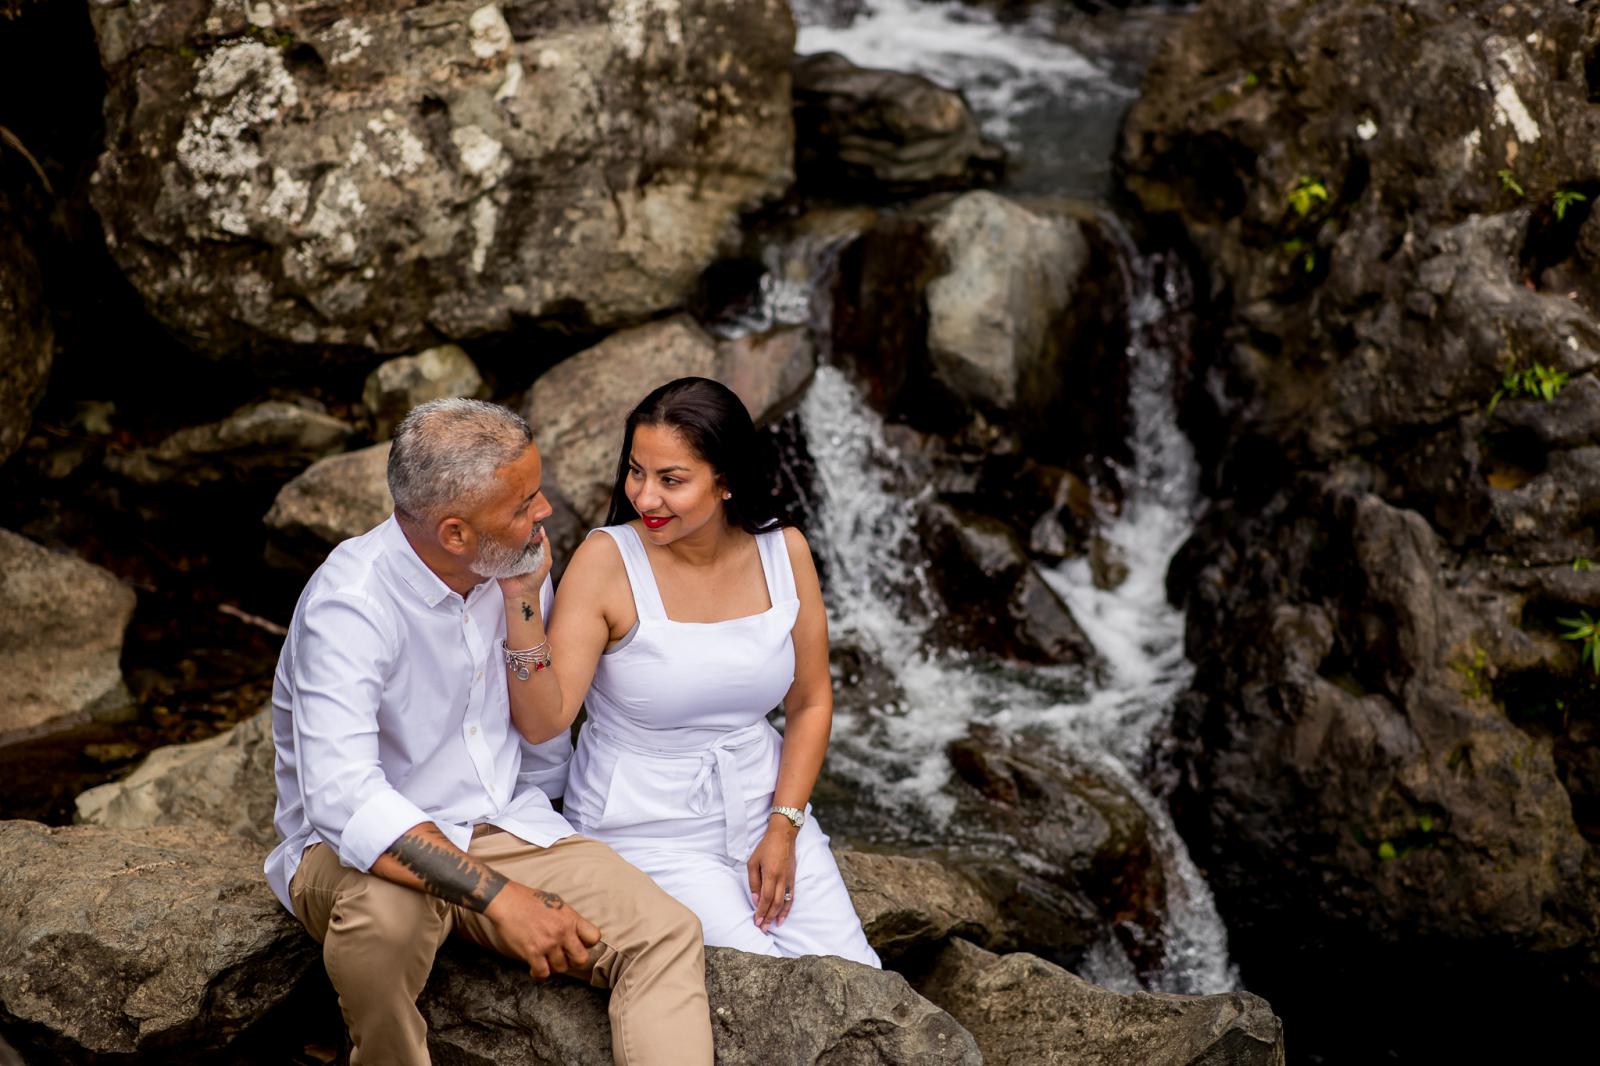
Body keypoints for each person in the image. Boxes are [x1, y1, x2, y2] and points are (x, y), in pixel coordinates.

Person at [263, 398, 713, 1066]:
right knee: (391, 921)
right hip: (358, 854)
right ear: (454, 534)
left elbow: (538, 742)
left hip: (505, 827)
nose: (545, 514)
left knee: (666, 931)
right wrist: (502, 900)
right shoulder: (351, 604)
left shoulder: (510, 568)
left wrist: (524, 599)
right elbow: (345, 800)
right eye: (524, 503)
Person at [498, 377, 879, 965]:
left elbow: (811, 702)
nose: (646, 497)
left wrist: (783, 826)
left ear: (726, 481)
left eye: (672, 480)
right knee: (764, 982)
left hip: (762, 805)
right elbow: (544, 721)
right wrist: (522, 599)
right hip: (643, 829)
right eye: (636, 472)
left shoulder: (787, 552)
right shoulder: (607, 560)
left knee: (859, 977)